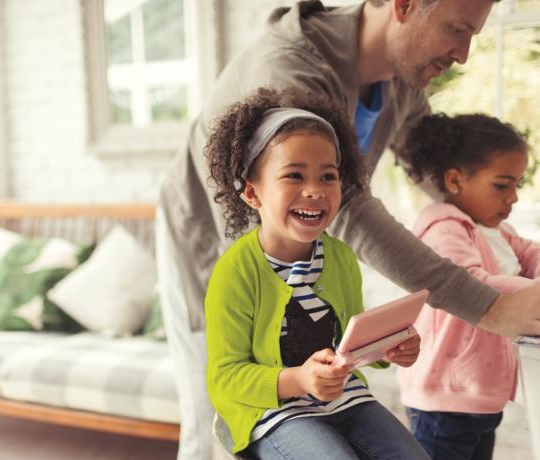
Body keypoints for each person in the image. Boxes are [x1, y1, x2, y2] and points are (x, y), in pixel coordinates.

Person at [154, 1, 540, 458]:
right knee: (212, 418)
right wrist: (487, 305)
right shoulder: (289, 66)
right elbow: (349, 208)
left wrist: (501, 241)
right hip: (211, 242)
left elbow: (440, 177)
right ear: (404, 6)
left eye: (473, 35)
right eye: (456, 29)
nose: (463, 55)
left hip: (303, 267)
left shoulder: (401, 80)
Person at [205, 87, 428, 459]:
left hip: (344, 400)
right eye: (294, 175)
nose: (314, 191)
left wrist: (388, 349)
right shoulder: (235, 272)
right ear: (252, 193)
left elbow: (348, 344)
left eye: (328, 176)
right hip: (274, 413)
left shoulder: (339, 257)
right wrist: (297, 379)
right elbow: (224, 378)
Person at [396, 113, 540, 460]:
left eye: (518, 184)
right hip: (445, 398)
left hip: (482, 393)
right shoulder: (443, 226)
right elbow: (470, 281)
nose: (514, 198)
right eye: (502, 185)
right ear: (456, 180)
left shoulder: (497, 232)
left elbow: (530, 255)